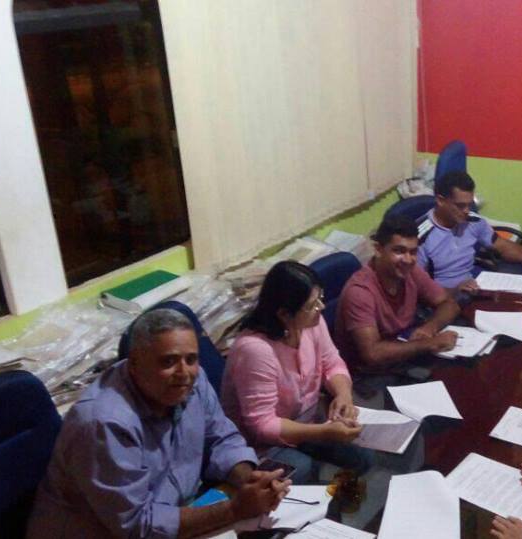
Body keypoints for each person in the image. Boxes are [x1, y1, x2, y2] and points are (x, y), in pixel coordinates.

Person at [27, 309, 290, 539]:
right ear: (134, 364)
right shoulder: (103, 423)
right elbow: (137, 526)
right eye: (168, 361)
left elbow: (221, 438)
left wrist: (249, 479)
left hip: (171, 515)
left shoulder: (193, 382)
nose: (184, 373)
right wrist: (235, 509)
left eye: (191, 359)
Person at [221, 261, 373, 484]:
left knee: (363, 456)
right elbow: (263, 426)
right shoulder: (255, 350)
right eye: (312, 305)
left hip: (306, 421)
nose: (321, 307)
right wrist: (324, 432)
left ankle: (335, 500)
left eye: (321, 298)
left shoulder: (311, 323)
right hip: (262, 443)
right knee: (302, 469)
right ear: (284, 314)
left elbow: (332, 362)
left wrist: (343, 395)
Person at [334, 214, 460, 373]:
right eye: (399, 251)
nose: (408, 260)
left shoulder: (410, 271)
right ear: (378, 250)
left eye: (413, 252)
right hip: (368, 374)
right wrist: (430, 343)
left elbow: (449, 304)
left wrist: (430, 328)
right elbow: (372, 354)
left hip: (403, 354)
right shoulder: (359, 292)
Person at [418, 170, 522, 294]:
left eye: (469, 204)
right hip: (443, 296)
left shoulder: (473, 221)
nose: (466, 211)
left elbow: (502, 246)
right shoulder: (420, 235)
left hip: (473, 285)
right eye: (460, 206)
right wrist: (456, 290)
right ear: (440, 200)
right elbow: (417, 287)